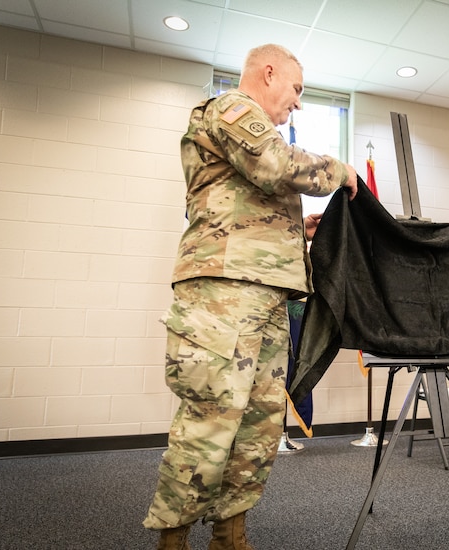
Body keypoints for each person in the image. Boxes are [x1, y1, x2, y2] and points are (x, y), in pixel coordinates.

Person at [143, 43, 357, 550]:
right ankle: (173, 541)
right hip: (222, 295)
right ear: (268, 73)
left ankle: (229, 534)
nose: (298, 103)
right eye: (298, 89)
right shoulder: (230, 109)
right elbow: (273, 165)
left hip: (268, 300)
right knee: (210, 421)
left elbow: (251, 198)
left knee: (258, 429)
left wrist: (295, 231)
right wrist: (341, 171)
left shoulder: (250, 125)